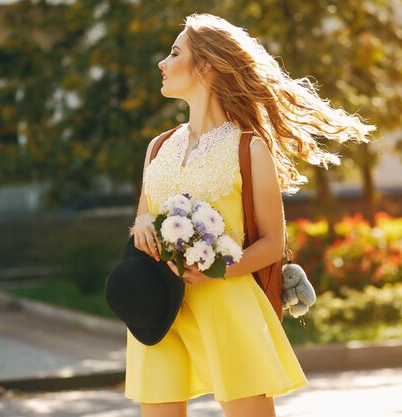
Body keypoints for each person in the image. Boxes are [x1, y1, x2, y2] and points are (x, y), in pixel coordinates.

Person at [128, 13, 375, 417]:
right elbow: (143, 214)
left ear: (206, 66)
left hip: (226, 304)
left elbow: (273, 245)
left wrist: (216, 270)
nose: (162, 63)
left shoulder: (249, 149)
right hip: (157, 305)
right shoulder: (158, 147)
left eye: (174, 53)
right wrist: (141, 226)